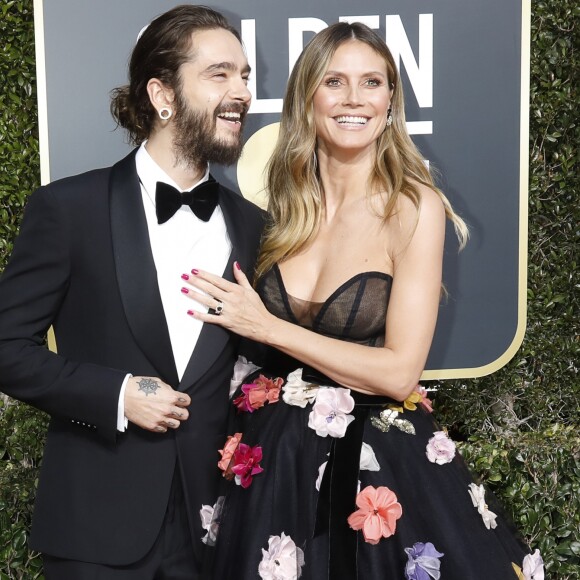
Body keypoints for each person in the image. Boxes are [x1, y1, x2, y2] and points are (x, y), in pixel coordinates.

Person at [181, 22, 543, 580]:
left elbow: (400, 373)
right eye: (335, 81)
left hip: (377, 472)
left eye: (372, 82)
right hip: (273, 467)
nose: (354, 98)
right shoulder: (278, 203)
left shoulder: (413, 206)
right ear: (307, 96)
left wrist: (269, 327)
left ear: (391, 100)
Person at [0, 5, 264, 579]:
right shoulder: (68, 209)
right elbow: (5, 347)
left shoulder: (256, 227)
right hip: (95, 530)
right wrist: (115, 394)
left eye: (245, 75)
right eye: (219, 74)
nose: (242, 90)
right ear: (162, 93)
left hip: (220, 532)